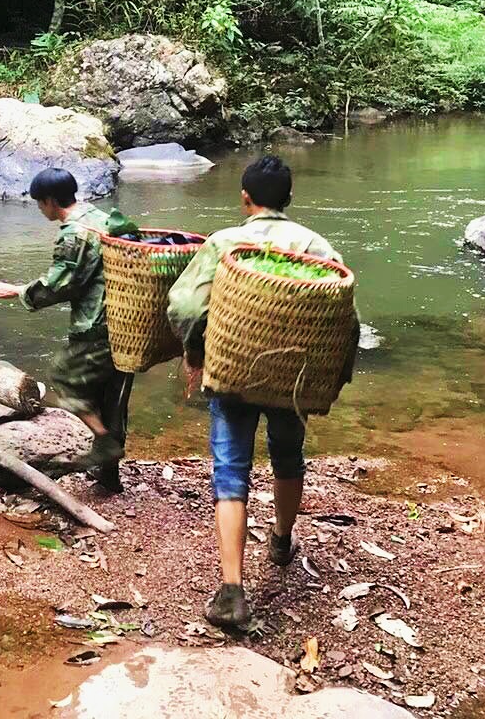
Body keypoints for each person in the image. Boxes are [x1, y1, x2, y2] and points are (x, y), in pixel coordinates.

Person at [166, 155, 356, 630]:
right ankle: (281, 539)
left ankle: (232, 590)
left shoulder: (224, 242)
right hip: (291, 378)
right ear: (289, 200)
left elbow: (185, 305)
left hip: (233, 371)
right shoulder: (313, 244)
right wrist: (331, 373)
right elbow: (344, 316)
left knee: (230, 470)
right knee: (288, 457)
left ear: (244, 198)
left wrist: (195, 353)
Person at [0, 168, 139, 490]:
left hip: (97, 326)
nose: (40, 210)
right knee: (112, 398)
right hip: (130, 322)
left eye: (40, 203)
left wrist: (17, 290)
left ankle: (105, 443)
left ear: (51, 201)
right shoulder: (101, 217)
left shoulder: (74, 234)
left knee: (64, 380)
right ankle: (109, 477)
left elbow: (62, 285)